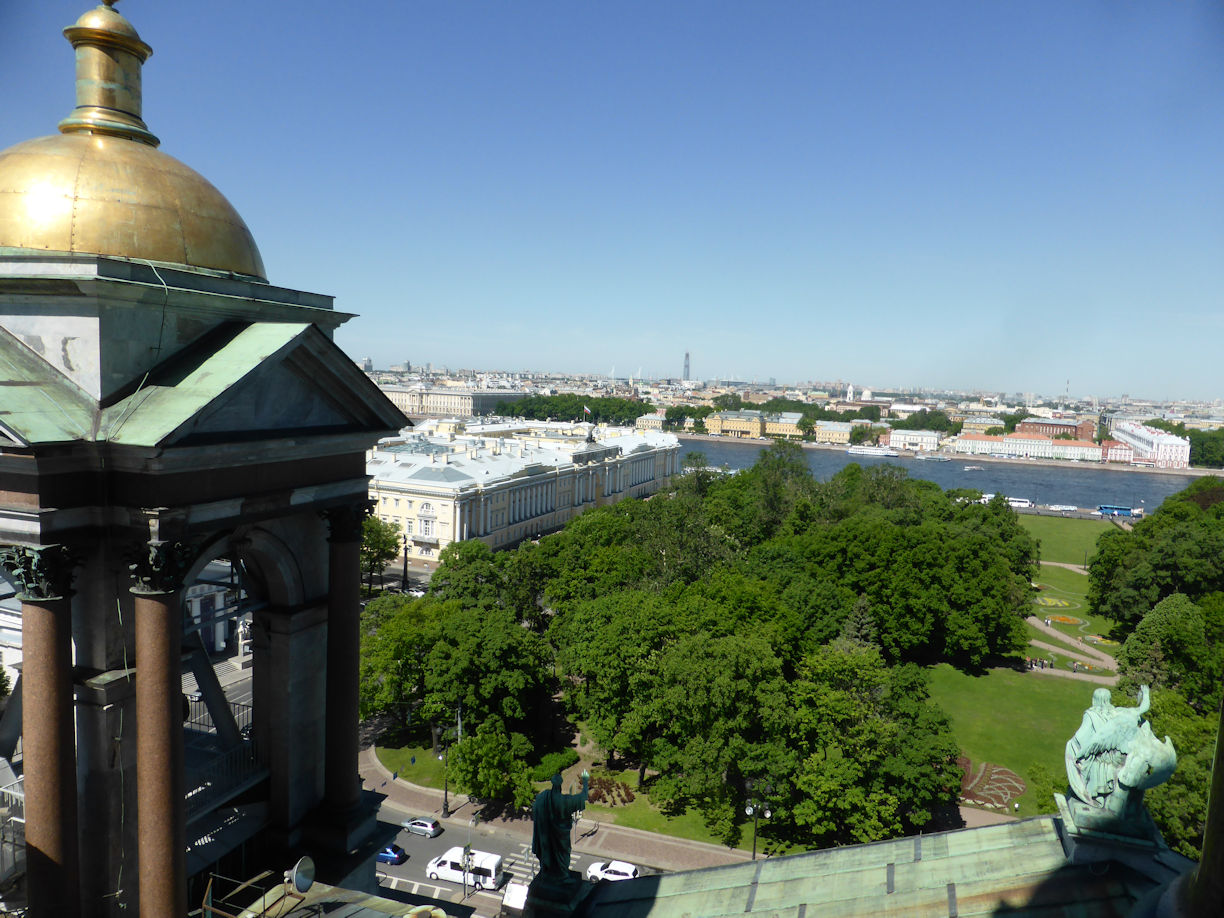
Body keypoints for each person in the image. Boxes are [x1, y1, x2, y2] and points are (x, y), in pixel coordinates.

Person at [531, 771, 590, 883]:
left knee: (548, 857)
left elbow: (536, 809)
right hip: (562, 840)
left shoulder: (543, 797)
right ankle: (562, 875)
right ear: (561, 785)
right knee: (563, 856)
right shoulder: (565, 801)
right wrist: (585, 781)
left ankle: (547, 872)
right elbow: (583, 797)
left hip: (547, 840)